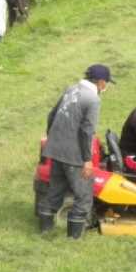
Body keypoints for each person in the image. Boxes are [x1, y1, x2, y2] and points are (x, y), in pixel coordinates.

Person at [39, 64, 114, 239]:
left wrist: (53, 141)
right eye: (107, 83)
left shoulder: (71, 89)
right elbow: (87, 131)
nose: (106, 87)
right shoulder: (93, 99)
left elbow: (51, 115)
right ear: (101, 82)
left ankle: (44, 232)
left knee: (55, 191)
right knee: (84, 195)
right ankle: (73, 239)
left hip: (55, 150)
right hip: (74, 155)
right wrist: (87, 160)